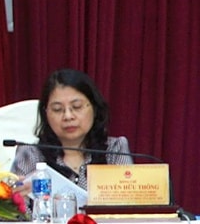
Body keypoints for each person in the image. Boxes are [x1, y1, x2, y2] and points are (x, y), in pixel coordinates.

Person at [11, 69, 129, 213]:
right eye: (57, 109)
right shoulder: (30, 154)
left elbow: (129, 209)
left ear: (94, 107)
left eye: (77, 107)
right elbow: (4, 219)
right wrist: (14, 202)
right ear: (46, 113)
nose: (68, 116)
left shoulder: (115, 150)